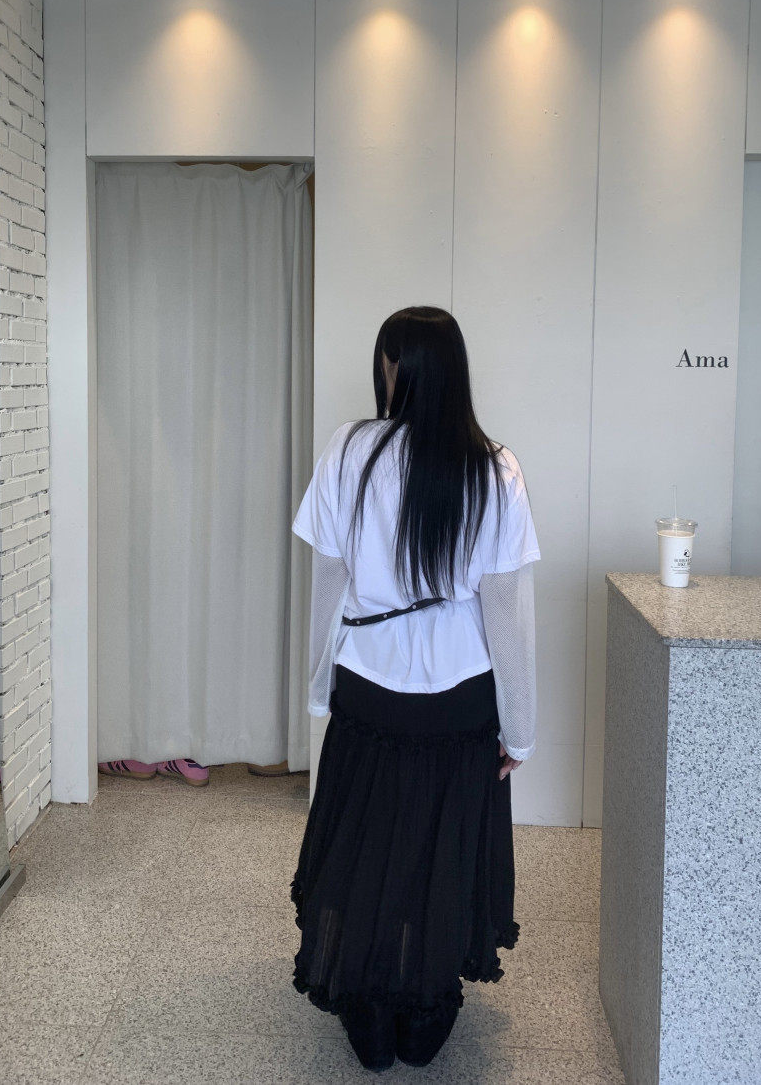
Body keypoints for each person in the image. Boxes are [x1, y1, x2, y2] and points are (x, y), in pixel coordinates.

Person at [289, 305, 540, 1072]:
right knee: (440, 847)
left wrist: (318, 688)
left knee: (365, 840)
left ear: (394, 368)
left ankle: (366, 1006)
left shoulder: (348, 451)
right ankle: (425, 1007)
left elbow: (327, 585)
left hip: (369, 688)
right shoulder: (495, 467)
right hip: (460, 697)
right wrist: (520, 728)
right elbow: (507, 612)